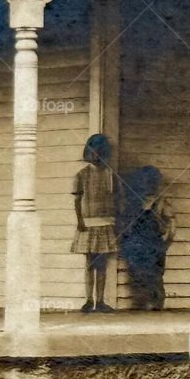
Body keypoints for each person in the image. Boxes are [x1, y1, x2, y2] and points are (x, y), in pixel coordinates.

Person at [71, 134, 118, 313]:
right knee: (90, 264)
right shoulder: (81, 175)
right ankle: (89, 300)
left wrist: (114, 220)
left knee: (102, 264)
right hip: (88, 224)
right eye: (94, 153)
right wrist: (80, 221)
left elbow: (114, 198)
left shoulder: (109, 173)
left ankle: (100, 300)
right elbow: (77, 200)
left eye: (100, 153)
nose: (97, 157)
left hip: (105, 223)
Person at [118, 166, 176, 311]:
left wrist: (167, 242)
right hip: (137, 244)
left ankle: (157, 308)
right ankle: (141, 308)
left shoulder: (162, 202)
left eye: (152, 181)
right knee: (137, 277)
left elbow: (173, 224)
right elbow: (126, 223)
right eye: (146, 181)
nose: (149, 184)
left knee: (155, 277)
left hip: (154, 244)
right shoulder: (135, 201)